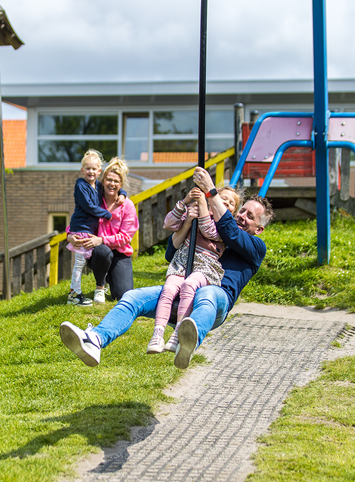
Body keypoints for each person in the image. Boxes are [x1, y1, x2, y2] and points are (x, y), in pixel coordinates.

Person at [60, 166, 273, 370]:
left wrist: (211, 191)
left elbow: (232, 234)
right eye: (243, 211)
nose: (242, 217)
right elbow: (171, 252)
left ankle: (188, 338)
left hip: (213, 299)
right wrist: (190, 222)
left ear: (260, 229)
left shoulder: (255, 247)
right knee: (133, 297)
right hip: (181, 291)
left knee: (207, 293)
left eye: (250, 216)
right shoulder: (213, 226)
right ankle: (95, 340)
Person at [146, 186, 241, 354]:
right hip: (183, 261)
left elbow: (208, 230)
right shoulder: (197, 211)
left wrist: (204, 205)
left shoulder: (227, 226)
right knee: (168, 289)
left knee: (189, 285)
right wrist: (185, 203)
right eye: (222, 197)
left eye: (230, 202)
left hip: (206, 266)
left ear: (233, 210)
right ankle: (158, 334)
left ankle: (177, 334)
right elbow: (168, 223)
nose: (225, 202)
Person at [66, 157, 139, 303]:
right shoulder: (95, 198)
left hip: (120, 253)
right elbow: (81, 220)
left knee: (122, 295)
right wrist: (70, 236)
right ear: (103, 180)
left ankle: (112, 277)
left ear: (121, 184)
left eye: (116, 181)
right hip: (99, 253)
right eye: (109, 180)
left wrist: (102, 239)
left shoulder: (128, 206)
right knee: (102, 250)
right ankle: (100, 286)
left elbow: (125, 238)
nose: (112, 184)